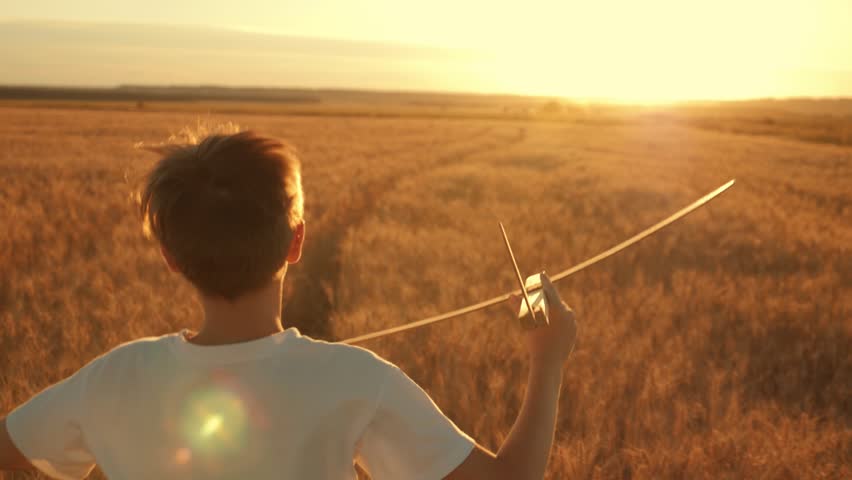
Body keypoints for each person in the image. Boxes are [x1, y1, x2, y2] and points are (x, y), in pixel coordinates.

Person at [0, 131, 578, 479]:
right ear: (297, 241)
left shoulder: (114, 377)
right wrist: (547, 357)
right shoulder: (357, 380)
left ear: (171, 258)